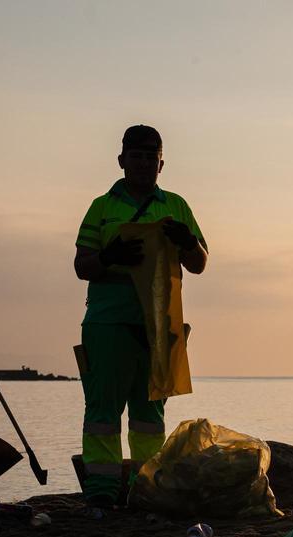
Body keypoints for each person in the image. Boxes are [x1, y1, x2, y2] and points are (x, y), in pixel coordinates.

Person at [73, 125, 207, 509]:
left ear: (161, 163)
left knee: (150, 414)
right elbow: (82, 265)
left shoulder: (177, 205)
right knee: (102, 409)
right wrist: (111, 257)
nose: (145, 162)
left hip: (160, 324)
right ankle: (101, 492)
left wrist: (187, 241)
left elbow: (199, 264)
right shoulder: (102, 207)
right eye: (137, 155)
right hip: (108, 320)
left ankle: (144, 488)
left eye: (152, 156)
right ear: (122, 160)